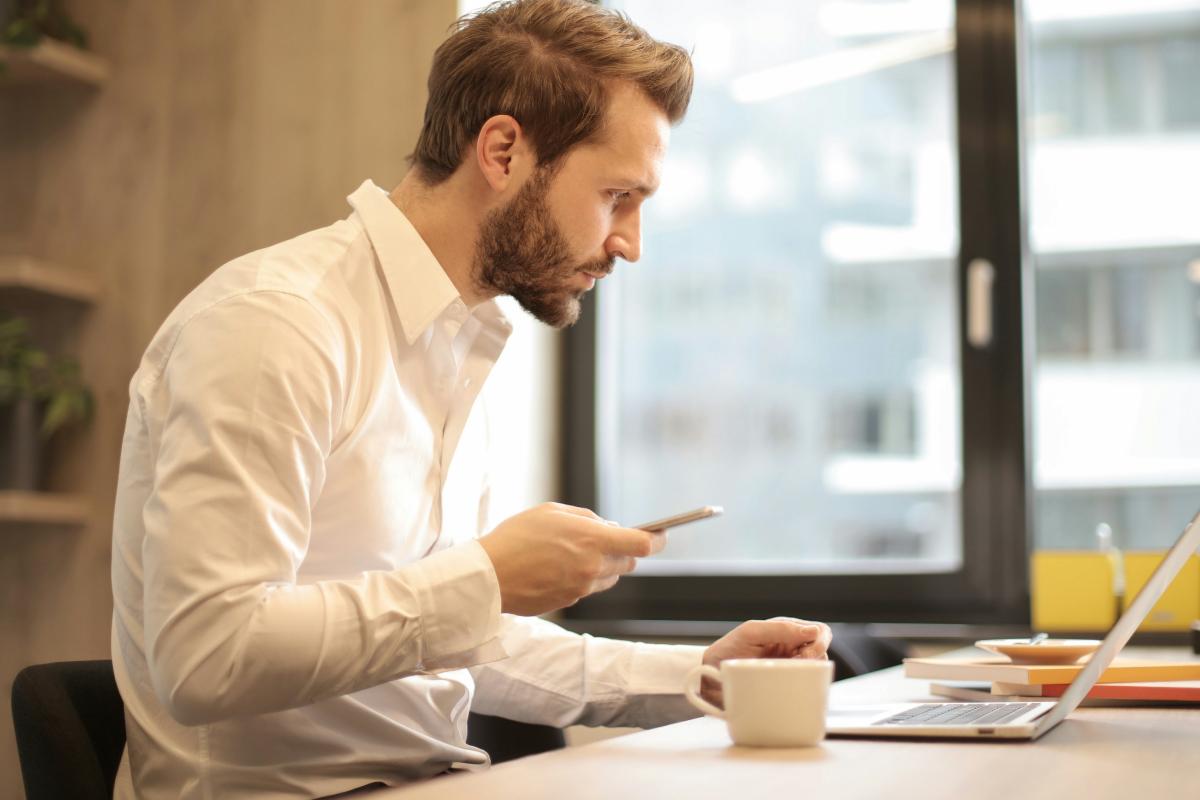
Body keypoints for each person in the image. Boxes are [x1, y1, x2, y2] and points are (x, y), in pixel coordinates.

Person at [109, 1, 832, 797]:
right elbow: (206, 657)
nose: (630, 242)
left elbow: (439, 641)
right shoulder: (273, 326)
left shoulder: (455, 345)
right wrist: (484, 578)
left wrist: (698, 675)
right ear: (502, 150)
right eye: (617, 196)